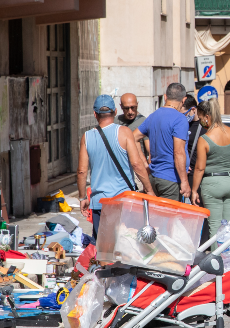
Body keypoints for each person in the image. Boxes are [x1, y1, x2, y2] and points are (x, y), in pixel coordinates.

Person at [77, 95, 153, 240]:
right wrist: (149, 189)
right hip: (123, 201)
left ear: (95, 114)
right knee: (126, 245)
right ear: (115, 111)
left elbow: (81, 171)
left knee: (104, 248)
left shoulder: (87, 137)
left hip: (99, 202)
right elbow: (136, 164)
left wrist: (82, 197)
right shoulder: (124, 132)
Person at [191, 96, 230, 236]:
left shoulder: (205, 139)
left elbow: (200, 168)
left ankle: (217, 258)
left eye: (200, 118)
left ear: (207, 116)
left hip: (212, 184)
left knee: (215, 227)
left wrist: (194, 190)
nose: (200, 122)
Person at [135, 83, 191, 201]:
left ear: (165, 97)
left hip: (154, 177)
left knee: (155, 217)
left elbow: (133, 138)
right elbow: (179, 152)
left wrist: (145, 164)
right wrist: (185, 181)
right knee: (169, 218)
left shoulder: (153, 116)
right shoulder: (180, 119)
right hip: (171, 180)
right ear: (184, 99)